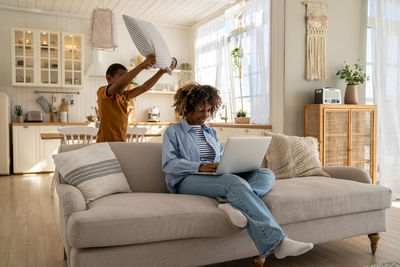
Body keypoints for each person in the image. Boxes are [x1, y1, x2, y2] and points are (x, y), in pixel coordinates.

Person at [162, 83, 314, 259]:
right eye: (200, 110)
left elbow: (220, 155)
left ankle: (231, 203)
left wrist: (231, 164)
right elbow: (169, 164)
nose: (205, 115)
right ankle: (277, 243)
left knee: (265, 174)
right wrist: (199, 166)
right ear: (187, 109)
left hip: (215, 177)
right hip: (187, 180)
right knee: (233, 183)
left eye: (209, 110)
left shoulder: (210, 132)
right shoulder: (173, 132)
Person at [96, 54, 175, 142]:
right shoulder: (102, 92)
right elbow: (120, 84)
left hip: (120, 143)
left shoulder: (124, 96)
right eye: (123, 78)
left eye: (127, 78)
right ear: (109, 78)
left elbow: (144, 87)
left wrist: (161, 72)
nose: (127, 82)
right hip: (104, 144)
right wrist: (142, 66)